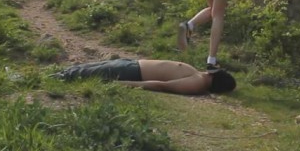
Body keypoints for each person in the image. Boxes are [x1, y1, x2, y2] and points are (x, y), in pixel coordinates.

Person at [51, 58, 236, 95]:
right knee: (84, 68)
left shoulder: (197, 83)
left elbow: (163, 85)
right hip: (132, 64)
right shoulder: (199, 75)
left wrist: (125, 84)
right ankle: (51, 75)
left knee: (83, 73)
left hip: (132, 72)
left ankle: (49, 79)